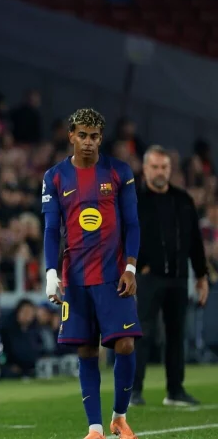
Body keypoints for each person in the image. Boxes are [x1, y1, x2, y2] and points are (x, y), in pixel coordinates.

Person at [42, 108, 141, 439]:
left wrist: (130, 267)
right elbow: (51, 229)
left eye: (94, 136)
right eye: (82, 135)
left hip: (114, 276)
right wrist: (51, 273)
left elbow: (132, 224)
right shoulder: (55, 177)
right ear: (71, 135)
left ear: (101, 139)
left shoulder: (119, 171)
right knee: (86, 350)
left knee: (124, 344)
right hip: (77, 278)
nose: (88, 142)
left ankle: (120, 417)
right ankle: (95, 429)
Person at [131, 146, 209, 407]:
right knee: (142, 333)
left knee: (176, 335)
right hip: (148, 278)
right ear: (145, 169)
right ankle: (133, 391)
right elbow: (121, 237)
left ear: (170, 169)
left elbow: (195, 240)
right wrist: (137, 266)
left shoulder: (183, 199)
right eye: (155, 167)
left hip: (178, 278)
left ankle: (175, 390)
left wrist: (201, 275)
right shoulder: (134, 200)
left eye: (164, 167)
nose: (160, 172)